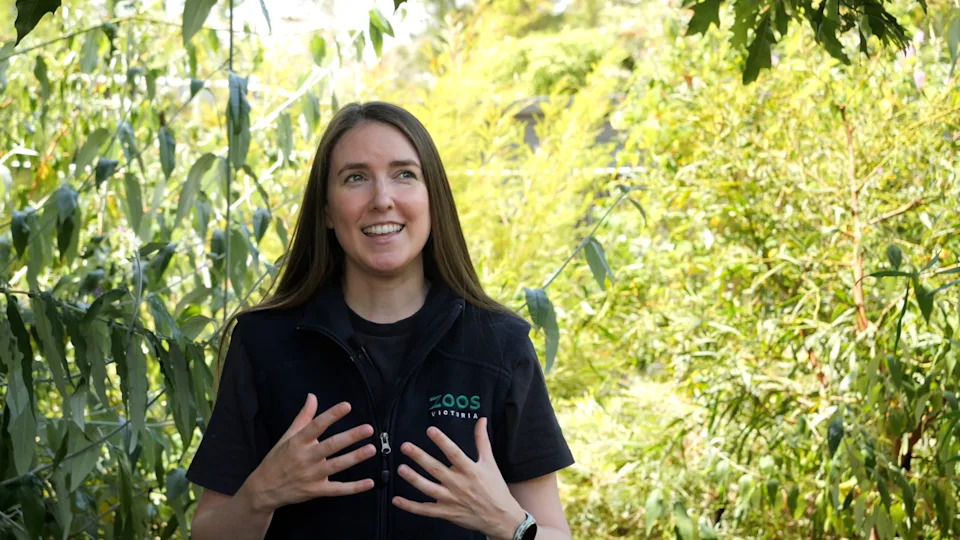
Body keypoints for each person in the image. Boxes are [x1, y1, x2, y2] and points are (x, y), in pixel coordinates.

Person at [186, 102, 575, 539]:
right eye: (355, 178)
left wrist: (509, 523)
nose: (382, 199)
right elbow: (207, 533)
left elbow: (554, 531)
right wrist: (261, 493)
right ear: (328, 212)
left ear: (434, 199)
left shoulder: (499, 346)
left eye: (404, 174)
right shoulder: (264, 343)